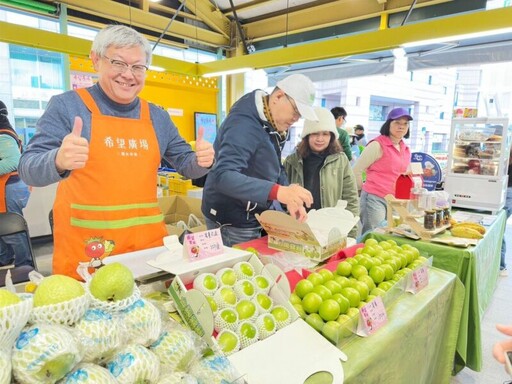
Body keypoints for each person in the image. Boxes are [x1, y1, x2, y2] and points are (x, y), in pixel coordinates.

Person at [18, 25, 214, 279]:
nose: (128, 75)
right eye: (118, 63)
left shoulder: (157, 116)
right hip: (90, 254)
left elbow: (187, 165)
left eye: (138, 67)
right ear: (96, 60)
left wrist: (204, 160)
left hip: (147, 252)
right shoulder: (67, 106)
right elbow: (28, 169)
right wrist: (58, 160)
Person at [201, 74, 317, 247]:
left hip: (254, 212)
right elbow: (223, 176)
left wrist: (288, 198)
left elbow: (274, 165)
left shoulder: (272, 121)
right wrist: (278, 192)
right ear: (278, 96)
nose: (296, 119)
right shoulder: (244, 125)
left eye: (300, 115)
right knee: (240, 271)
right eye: (295, 111)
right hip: (233, 219)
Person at [284, 107, 359, 237]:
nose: (320, 139)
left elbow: (351, 197)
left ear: (331, 136)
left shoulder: (340, 160)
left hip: (330, 229)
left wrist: (350, 231)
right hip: (300, 227)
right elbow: (284, 196)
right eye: (315, 133)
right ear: (307, 136)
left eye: (325, 134)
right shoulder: (292, 161)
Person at [353, 107, 412, 234]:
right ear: (388, 124)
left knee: (391, 236)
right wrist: (360, 190)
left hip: (395, 200)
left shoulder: (405, 148)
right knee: (374, 235)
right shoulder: (377, 145)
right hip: (375, 198)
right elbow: (356, 170)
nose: (401, 126)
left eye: (405, 123)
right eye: (397, 122)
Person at [0, 101, 33, 268]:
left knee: (11, 227)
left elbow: (13, 161)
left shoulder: (3, 135)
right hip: (6, 188)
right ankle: (4, 258)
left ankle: (24, 264)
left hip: (9, 188)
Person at [500, 148, 512, 276]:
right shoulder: (506, 160)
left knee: (499, 228)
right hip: (505, 192)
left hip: (507, 193)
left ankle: (501, 266)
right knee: (499, 228)